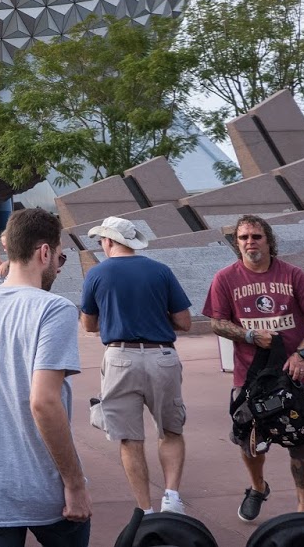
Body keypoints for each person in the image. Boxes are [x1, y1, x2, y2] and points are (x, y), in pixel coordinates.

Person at [0, 207, 88, 546]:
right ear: (44, 252)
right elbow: (43, 402)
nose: (58, 264)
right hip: (46, 488)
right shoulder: (54, 309)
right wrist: (75, 483)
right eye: (60, 256)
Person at [203, 214, 304, 521]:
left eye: (256, 237)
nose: (250, 242)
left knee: (302, 441)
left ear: (269, 240)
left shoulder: (293, 275)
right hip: (250, 377)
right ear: (237, 243)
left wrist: (302, 354)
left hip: (294, 375)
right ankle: (258, 487)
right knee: (250, 441)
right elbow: (217, 322)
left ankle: (303, 511)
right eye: (244, 237)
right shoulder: (225, 278)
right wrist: (248, 335)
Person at [79, 215, 192, 516]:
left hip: (119, 356)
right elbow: (184, 321)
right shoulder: (161, 271)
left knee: (129, 437)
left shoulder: (97, 273)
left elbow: (88, 324)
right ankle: (171, 496)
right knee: (170, 429)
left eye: (102, 240)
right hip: (162, 355)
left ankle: (146, 509)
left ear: (110, 241)